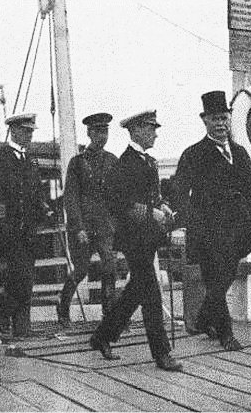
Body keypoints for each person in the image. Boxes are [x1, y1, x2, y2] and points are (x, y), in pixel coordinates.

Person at [172, 91, 251, 351]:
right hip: (207, 230)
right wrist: (182, 224)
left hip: (238, 232)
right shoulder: (193, 154)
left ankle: (203, 319)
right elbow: (179, 191)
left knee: (223, 279)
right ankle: (226, 335)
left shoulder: (239, 153)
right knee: (215, 281)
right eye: (215, 119)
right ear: (204, 121)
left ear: (230, 119)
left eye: (224, 118)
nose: (220, 124)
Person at [89, 110, 182, 372]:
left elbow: (152, 196)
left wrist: (162, 206)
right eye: (151, 129)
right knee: (151, 294)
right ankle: (162, 354)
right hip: (133, 240)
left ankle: (102, 336)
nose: (155, 134)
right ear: (136, 130)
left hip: (148, 237)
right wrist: (150, 212)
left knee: (135, 292)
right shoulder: (125, 164)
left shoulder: (148, 161)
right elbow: (117, 202)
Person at [0, 113, 51, 337]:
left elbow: (37, 192)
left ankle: (22, 326)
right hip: (8, 230)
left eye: (31, 131)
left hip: (28, 230)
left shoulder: (31, 160)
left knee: (26, 277)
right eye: (25, 131)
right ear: (13, 131)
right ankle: (4, 320)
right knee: (13, 278)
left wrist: (46, 209)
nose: (30, 135)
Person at [57, 112, 118, 327]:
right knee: (81, 269)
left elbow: (117, 196)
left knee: (109, 267)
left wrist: (115, 224)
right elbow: (71, 197)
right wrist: (78, 227)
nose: (102, 136)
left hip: (104, 226)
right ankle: (63, 307)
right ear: (89, 133)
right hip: (83, 227)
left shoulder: (112, 161)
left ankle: (109, 314)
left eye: (105, 131)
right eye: (98, 132)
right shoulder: (77, 163)